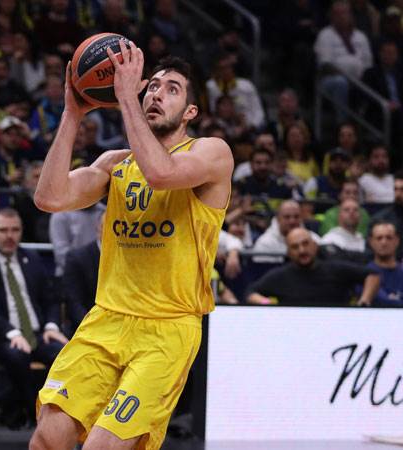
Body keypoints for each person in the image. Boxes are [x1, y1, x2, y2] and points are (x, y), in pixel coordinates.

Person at [29, 47, 232, 449]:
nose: (156, 94)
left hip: (167, 329)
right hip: (106, 319)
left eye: (171, 90)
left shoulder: (210, 152)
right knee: (47, 439)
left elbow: (161, 173)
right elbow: (49, 198)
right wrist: (73, 114)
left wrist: (125, 96)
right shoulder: (114, 163)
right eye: (152, 86)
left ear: (190, 112)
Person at [0, 208, 67, 427]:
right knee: (17, 356)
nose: (10, 236)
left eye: (15, 230)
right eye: (3, 230)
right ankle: (31, 414)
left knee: (63, 355)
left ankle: (57, 416)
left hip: (37, 332)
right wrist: (11, 332)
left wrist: (51, 325)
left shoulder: (31, 257)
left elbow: (49, 297)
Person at [247, 228, 379, 306]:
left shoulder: (336, 269)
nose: (302, 250)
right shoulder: (280, 276)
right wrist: (266, 304)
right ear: (288, 253)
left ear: (315, 245)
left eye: (305, 244)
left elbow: (372, 275)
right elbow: (251, 293)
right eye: (295, 247)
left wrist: (364, 301)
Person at [62, 211, 104, 331]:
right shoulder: (77, 258)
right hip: (88, 326)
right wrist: (91, 327)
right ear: (98, 229)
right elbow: (74, 302)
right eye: (107, 227)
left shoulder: (130, 258)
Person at [366, 221, 403, 306]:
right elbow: (382, 302)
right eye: (379, 238)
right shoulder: (365, 274)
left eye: (389, 238)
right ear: (371, 242)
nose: (384, 242)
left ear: (397, 241)